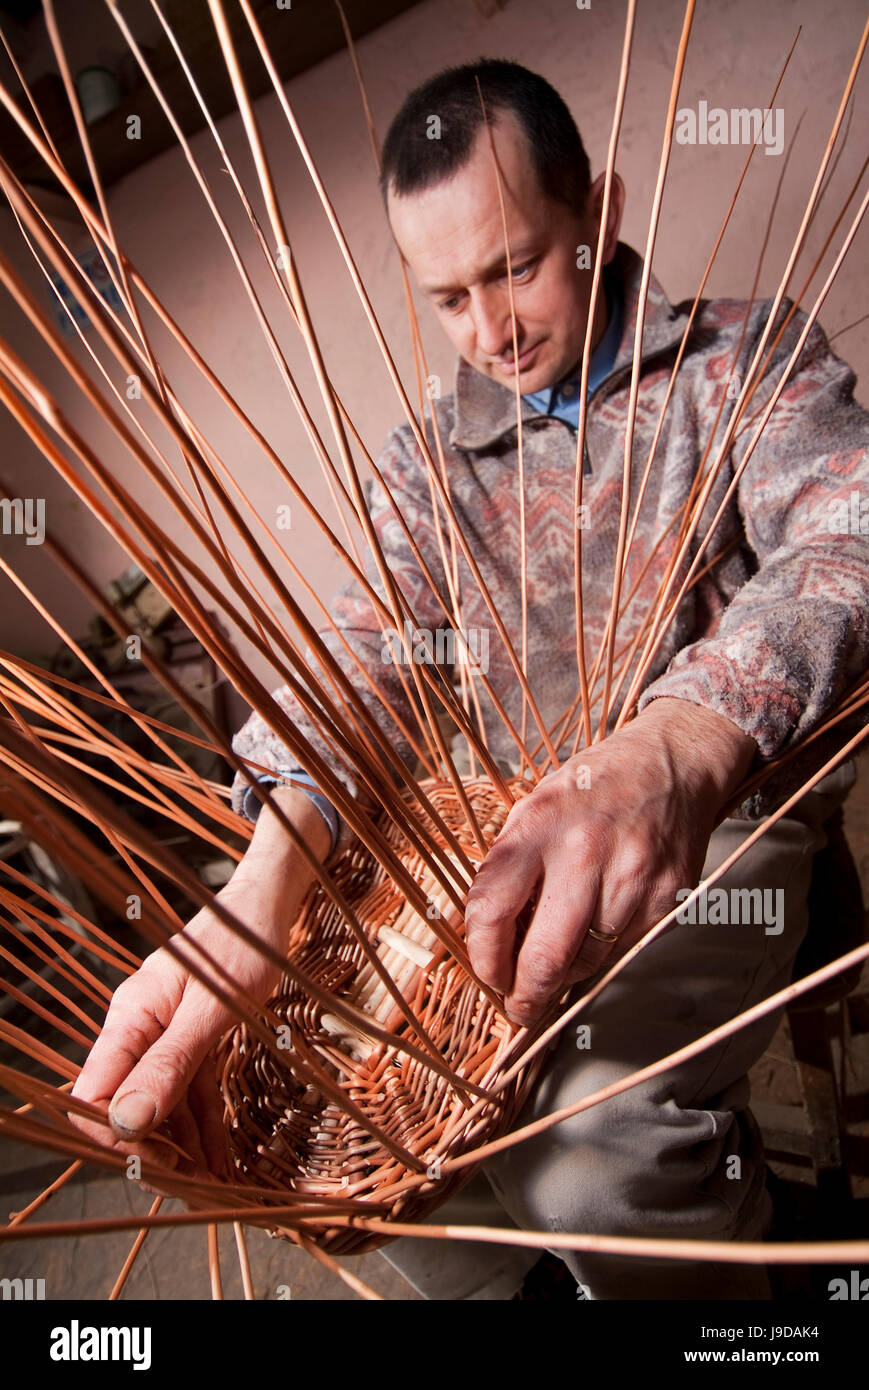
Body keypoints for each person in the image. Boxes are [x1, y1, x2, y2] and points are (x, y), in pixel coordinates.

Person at [70, 60, 869, 1299]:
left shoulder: (740, 362)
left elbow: (844, 534)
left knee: (585, 1153)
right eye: (446, 296)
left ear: (596, 212)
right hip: (474, 837)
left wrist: (671, 743)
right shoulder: (423, 464)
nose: (489, 330)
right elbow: (363, 657)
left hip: (716, 831)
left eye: (513, 267)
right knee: (365, 1138)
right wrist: (261, 892)